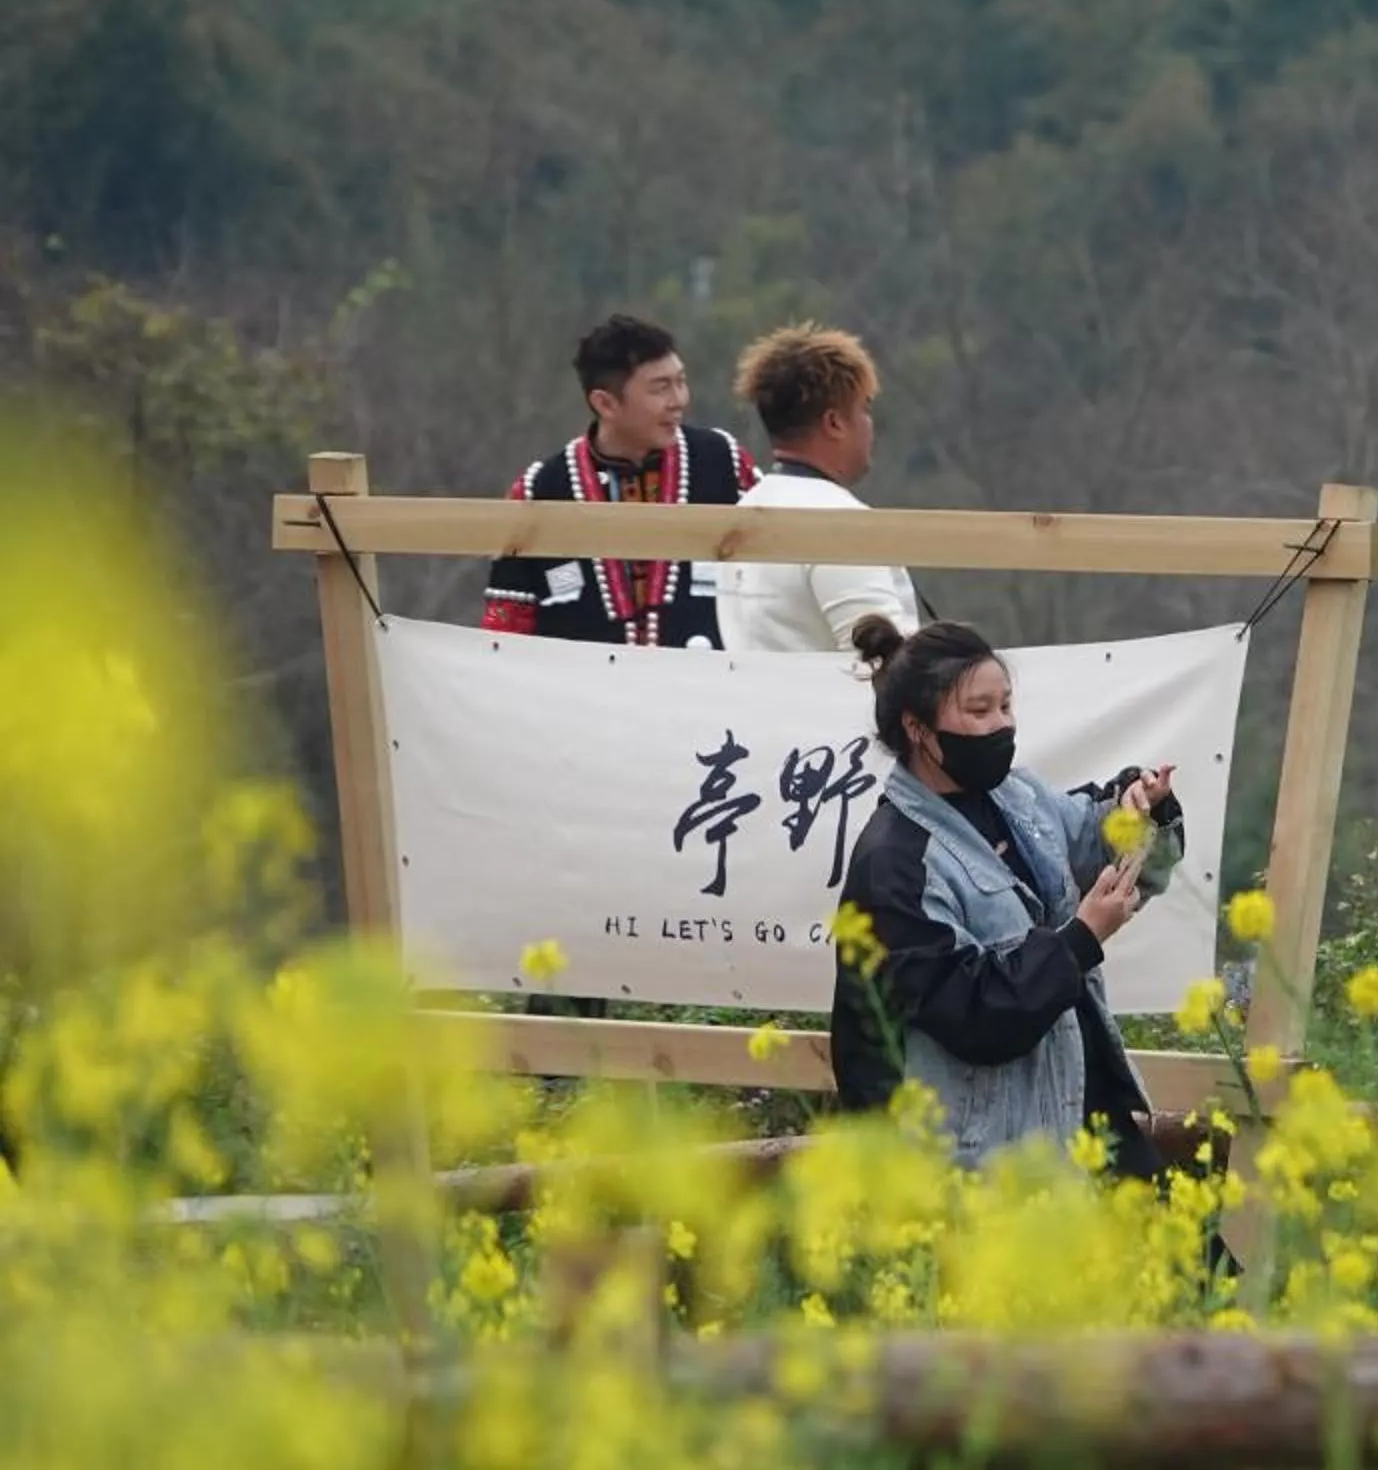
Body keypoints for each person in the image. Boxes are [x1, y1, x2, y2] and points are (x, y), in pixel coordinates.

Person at [830, 615, 1184, 1176]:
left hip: (1082, 1120)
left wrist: (1139, 808)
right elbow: (972, 1015)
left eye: (1006, 706)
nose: (1002, 724)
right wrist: (1079, 940)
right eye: (979, 711)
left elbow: (1090, 839)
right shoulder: (895, 864)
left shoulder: (1014, 795)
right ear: (919, 728)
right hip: (981, 1163)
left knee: (1196, 1261)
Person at [480, 313, 759, 648]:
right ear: (605, 403)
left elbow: (776, 579)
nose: (679, 400)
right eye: (661, 388)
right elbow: (505, 628)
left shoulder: (722, 461)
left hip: (706, 692)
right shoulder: (540, 490)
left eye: (681, 381)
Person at [717, 323, 921, 654]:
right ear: (834, 423)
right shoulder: (841, 522)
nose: (870, 424)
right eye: (863, 408)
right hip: (833, 705)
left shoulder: (743, 514)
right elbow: (881, 662)